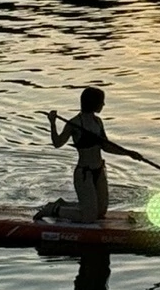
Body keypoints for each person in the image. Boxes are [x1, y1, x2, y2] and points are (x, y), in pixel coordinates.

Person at [44, 84, 139, 226]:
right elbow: (58, 143)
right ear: (93, 103)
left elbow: (106, 146)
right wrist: (52, 123)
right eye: (101, 102)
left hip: (99, 171)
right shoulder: (74, 123)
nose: (103, 104)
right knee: (89, 217)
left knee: (100, 212)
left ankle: (65, 204)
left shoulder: (98, 122)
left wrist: (129, 154)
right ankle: (54, 209)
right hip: (84, 174)